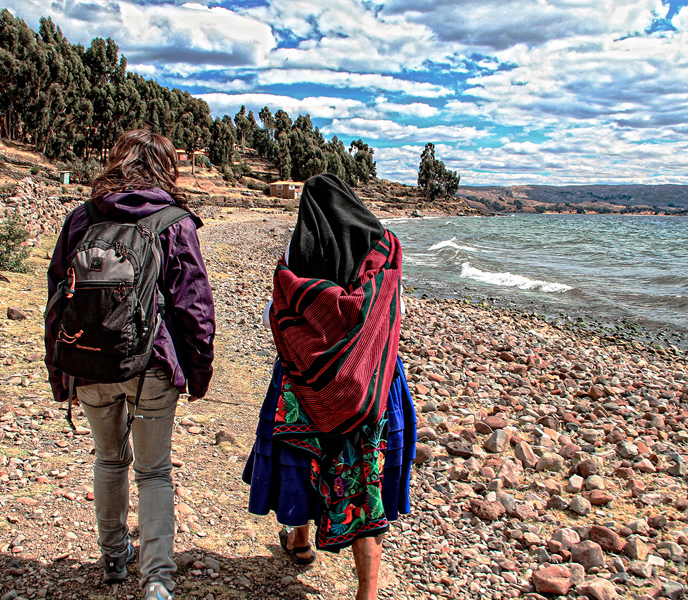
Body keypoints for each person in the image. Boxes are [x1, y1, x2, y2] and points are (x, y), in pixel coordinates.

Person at [44, 130, 215, 600]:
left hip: (88, 359)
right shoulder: (173, 221)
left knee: (108, 459)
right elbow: (195, 306)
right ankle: (157, 579)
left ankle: (113, 557)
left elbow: (57, 296)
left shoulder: (82, 217)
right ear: (165, 167)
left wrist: (61, 372)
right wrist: (197, 372)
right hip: (152, 364)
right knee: (154, 471)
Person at [243, 173, 416, 600]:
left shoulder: (298, 252)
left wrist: (312, 340)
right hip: (372, 384)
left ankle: (300, 540)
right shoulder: (383, 252)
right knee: (366, 476)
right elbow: (396, 312)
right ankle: (366, 592)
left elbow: (273, 315)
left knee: (303, 458)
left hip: (304, 381)